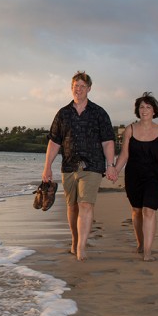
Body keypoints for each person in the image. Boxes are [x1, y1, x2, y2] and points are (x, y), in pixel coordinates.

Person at [43, 71, 116, 261]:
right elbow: (54, 142)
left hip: (93, 166)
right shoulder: (63, 113)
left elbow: (108, 141)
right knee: (72, 206)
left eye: (83, 86)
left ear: (89, 89)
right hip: (68, 166)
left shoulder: (99, 113)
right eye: (76, 86)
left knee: (85, 204)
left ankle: (82, 247)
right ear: (71, 88)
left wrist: (111, 165)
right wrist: (47, 167)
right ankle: (75, 240)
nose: (79, 89)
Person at [112, 92, 158, 262]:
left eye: (148, 107)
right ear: (137, 110)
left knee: (149, 211)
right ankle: (140, 243)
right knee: (137, 211)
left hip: (155, 176)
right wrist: (115, 170)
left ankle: (148, 251)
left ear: (154, 111)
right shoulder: (130, 130)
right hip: (133, 175)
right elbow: (124, 154)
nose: (144, 110)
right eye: (141, 107)